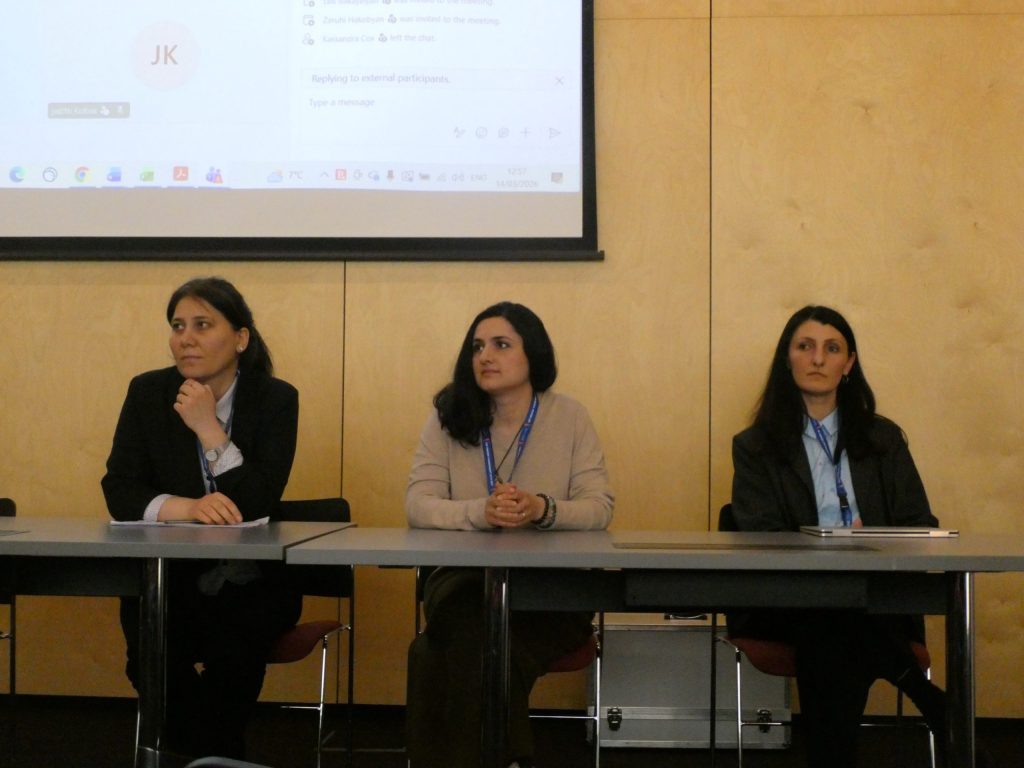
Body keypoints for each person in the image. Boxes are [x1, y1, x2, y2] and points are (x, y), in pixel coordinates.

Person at [729, 305, 949, 768]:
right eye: (805, 346)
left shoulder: (883, 439)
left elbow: (920, 521)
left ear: (848, 364)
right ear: (787, 358)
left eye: (832, 349)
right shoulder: (756, 446)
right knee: (832, 620)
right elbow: (760, 536)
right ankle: (926, 696)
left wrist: (877, 538)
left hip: (873, 594)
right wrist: (827, 544)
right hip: (791, 599)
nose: (817, 358)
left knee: (835, 634)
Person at [405, 301, 614, 768]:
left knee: (433, 655)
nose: (485, 356)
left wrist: (543, 509)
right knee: (478, 634)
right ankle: (510, 758)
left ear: (532, 354)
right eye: (477, 347)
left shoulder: (569, 417)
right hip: (464, 584)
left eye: (501, 345)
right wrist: (480, 512)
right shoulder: (447, 417)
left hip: (551, 590)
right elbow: (418, 504)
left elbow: (599, 507)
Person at [102, 277, 300, 759]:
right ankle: (215, 756)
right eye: (177, 326)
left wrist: (209, 428)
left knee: (236, 657)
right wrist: (187, 508)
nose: (185, 339)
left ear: (240, 338)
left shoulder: (275, 399)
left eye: (202, 325)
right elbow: (120, 489)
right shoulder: (148, 392)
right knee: (151, 658)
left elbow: (258, 500)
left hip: (251, 580)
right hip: (169, 578)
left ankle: (203, 755)